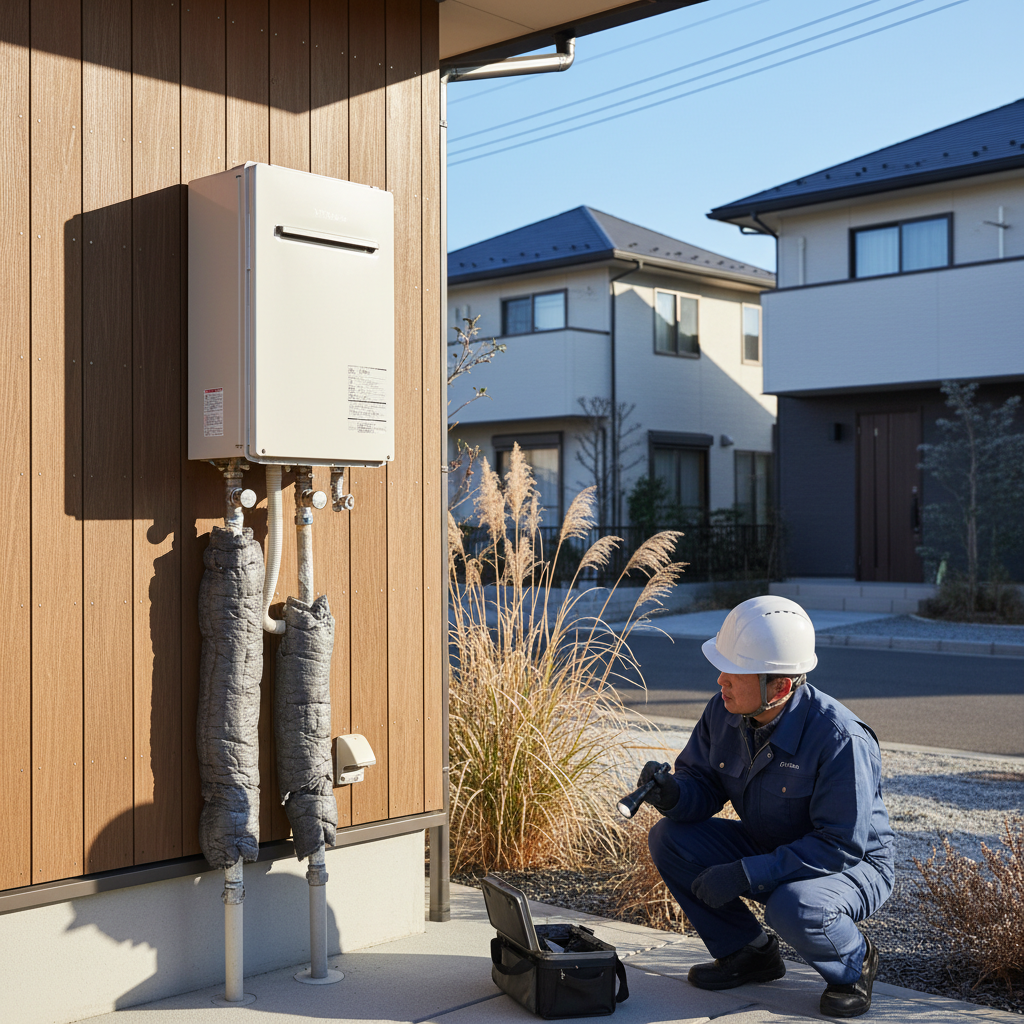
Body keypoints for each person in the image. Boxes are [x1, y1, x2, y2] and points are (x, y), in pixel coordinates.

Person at [639, 595, 894, 1019]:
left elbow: (838, 845)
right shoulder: (726, 711)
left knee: (793, 905)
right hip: (772, 840)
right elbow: (701, 782)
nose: (721, 680)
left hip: (851, 864)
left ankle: (854, 961)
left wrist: (745, 873)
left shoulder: (840, 739)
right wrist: (674, 794)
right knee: (671, 839)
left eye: (735, 672)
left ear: (780, 686)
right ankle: (749, 954)